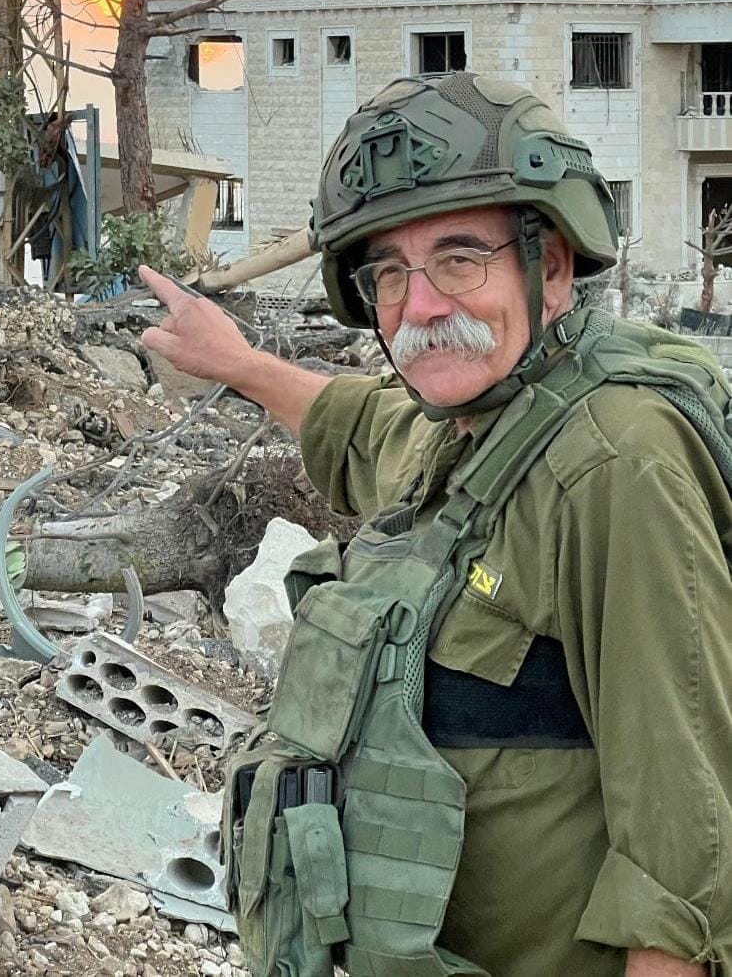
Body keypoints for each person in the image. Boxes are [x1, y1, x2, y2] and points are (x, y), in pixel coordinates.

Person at [139, 72, 732, 977]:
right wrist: (241, 363)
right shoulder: (471, 425)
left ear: (552, 267)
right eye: (390, 273)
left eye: (459, 259)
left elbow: (683, 850)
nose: (420, 306)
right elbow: (358, 425)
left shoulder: (615, 466)